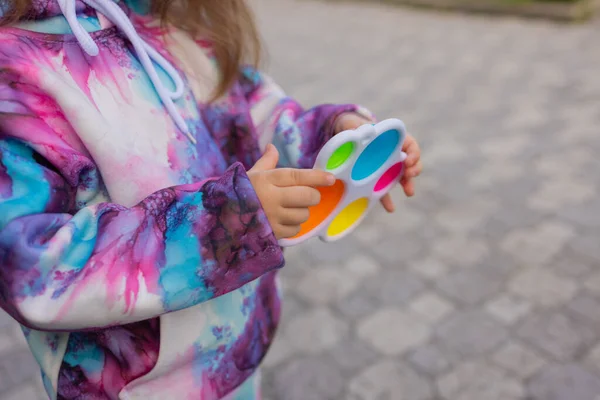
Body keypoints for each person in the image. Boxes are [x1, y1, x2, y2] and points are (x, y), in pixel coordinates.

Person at [0, 0, 423, 398]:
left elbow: (253, 111)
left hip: (234, 354)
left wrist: (334, 135)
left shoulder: (172, 16)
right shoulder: (17, 67)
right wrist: (224, 221)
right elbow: (29, 264)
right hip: (139, 387)